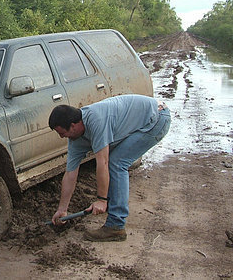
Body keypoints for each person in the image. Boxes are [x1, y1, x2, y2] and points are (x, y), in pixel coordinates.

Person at [48, 94, 171, 242]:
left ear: (73, 126)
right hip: (144, 117)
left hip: (156, 118)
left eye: (62, 133)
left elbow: (103, 163)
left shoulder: (96, 121)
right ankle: (114, 210)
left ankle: (116, 226)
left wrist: (101, 200)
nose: (62, 137)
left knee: (117, 162)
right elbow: (70, 174)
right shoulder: (75, 140)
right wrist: (62, 209)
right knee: (115, 160)